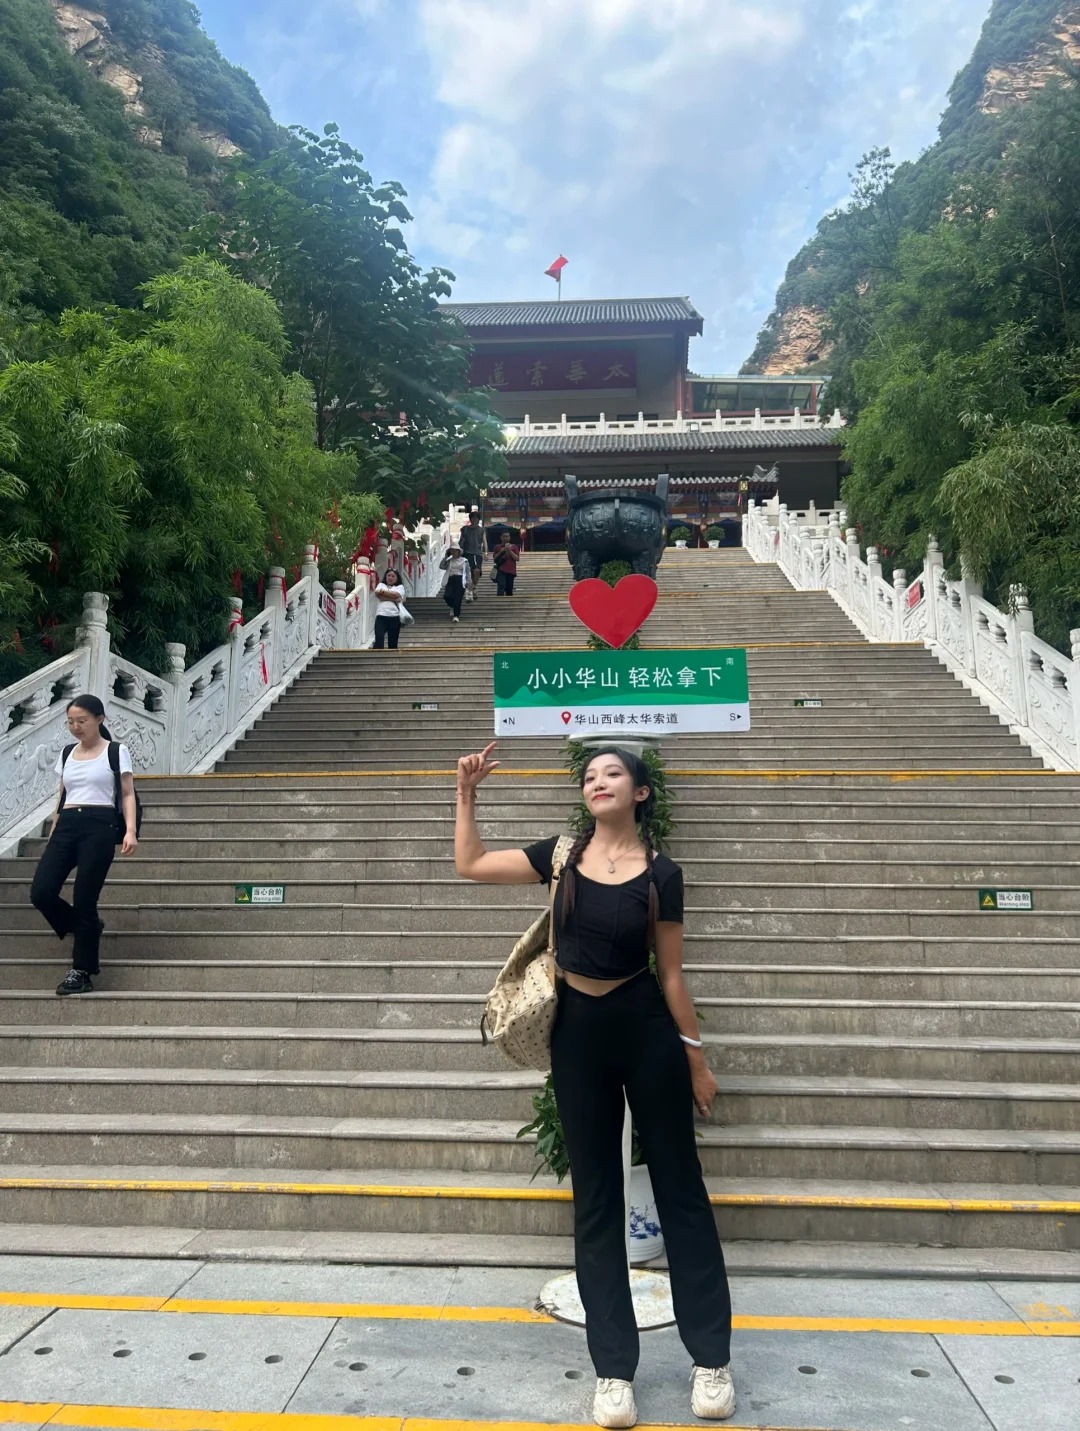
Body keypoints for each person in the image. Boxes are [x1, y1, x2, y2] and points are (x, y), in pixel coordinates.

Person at [455, 741, 735, 1428]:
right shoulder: (560, 857)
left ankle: (711, 1360)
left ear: (640, 792)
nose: (597, 781)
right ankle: (614, 1372)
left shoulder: (663, 874)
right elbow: (471, 863)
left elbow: (672, 974)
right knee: (597, 1200)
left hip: (646, 1030)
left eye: (613, 773)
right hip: (577, 1034)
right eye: (589, 775)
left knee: (682, 1189)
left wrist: (696, 1059)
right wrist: (467, 795)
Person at [30, 695, 138, 996]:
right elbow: (62, 795)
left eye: (82, 721)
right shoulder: (67, 753)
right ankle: (85, 927)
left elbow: (127, 793)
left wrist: (130, 831)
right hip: (67, 824)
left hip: (99, 825)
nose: (76, 727)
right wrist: (55, 828)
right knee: (41, 892)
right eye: (71, 722)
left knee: (85, 899)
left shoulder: (115, 751)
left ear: (99, 720)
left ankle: (82, 971)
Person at [440, 542, 472, 622]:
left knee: (458, 597)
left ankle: (456, 615)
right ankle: (453, 606)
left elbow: (468, 572)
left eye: (455, 550)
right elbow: (441, 566)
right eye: (452, 551)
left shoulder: (464, 561)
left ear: (458, 551)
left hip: (460, 579)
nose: (453, 552)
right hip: (450, 579)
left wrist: (469, 583)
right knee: (447, 596)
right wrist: (446, 556)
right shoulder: (449, 560)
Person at [374, 568, 405, 649]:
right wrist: (393, 598)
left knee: (393, 643)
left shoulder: (400, 587)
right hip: (381, 616)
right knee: (379, 639)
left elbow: (396, 594)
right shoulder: (381, 585)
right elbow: (377, 593)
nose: (390, 578)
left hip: (394, 617)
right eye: (388, 575)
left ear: (397, 578)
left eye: (393, 576)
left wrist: (383, 592)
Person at [459, 511, 486, 598]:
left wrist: (486, 552)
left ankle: (474, 586)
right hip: (467, 553)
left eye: (476, 518)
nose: (474, 519)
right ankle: (470, 590)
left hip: (477, 553)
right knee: (469, 573)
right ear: (470, 519)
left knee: (477, 570)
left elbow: (484, 541)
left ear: (478, 520)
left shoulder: (481, 530)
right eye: (472, 518)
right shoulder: (465, 529)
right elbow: (461, 541)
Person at [492, 529, 519, 596]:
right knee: (501, 587)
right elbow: (494, 559)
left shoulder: (514, 547)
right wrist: (501, 551)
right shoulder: (497, 547)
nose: (505, 538)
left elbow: (517, 558)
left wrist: (509, 550)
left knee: (509, 589)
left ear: (509, 537)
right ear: (501, 537)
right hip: (501, 570)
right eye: (504, 536)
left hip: (511, 571)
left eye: (507, 536)